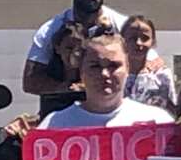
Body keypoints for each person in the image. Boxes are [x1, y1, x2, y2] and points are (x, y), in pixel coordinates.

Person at [22, 0, 158, 98]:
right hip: (62, 108)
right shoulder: (50, 30)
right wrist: (68, 89)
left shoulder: (123, 26)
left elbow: (154, 64)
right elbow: (30, 81)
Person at [37, 33, 173, 129]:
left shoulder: (159, 122)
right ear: (82, 72)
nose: (104, 73)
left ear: (127, 69)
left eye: (113, 65)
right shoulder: (53, 125)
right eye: (95, 66)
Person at [121, 16, 175, 111]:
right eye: (132, 38)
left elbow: (171, 109)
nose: (138, 42)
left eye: (144, 38)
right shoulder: (114, 74)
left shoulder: (161, 75)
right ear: (122, 40)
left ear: (153, 41)